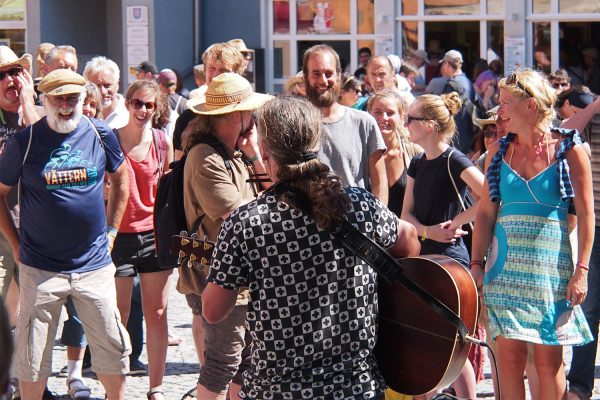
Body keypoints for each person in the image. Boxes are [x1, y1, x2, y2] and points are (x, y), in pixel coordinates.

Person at [202, 95, 421, 399]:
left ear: (264, 151)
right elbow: (410, 242)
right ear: (317, 143)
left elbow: (213, 311)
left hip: (277, 390)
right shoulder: (359, 204)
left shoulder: (246, 222)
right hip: (355, 388)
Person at [0, 68, 130, 400]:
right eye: (58, 98)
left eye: (72, 97)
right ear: (44, 100)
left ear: (84, 99)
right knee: (32, 359)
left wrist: (112, 231)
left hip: (94, 266)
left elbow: (121, 181)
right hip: (39, 268)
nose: (65, 105)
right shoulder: (24, 142)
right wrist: (15, 243)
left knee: (112, 352)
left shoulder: (101, 134)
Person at [471, 68, 593, 400]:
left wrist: (582, 270)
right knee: (508, 359)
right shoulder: (498, 152)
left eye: (506, 102)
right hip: (504, 268)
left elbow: (587, 214)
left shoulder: (568, 148)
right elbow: (485, 213)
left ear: (531, 105)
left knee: (548, 360)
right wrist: (476, 264)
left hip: (549, 271)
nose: (499, 111)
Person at [183, 72, 271, 400]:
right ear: (237, 115)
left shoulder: (234, 151)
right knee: (223, 361)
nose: (254, 118)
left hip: (241, 272)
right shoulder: (205, 156)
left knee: (248, 360)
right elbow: (239, 218)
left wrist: (254, 155)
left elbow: (272, 194)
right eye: (250, 111)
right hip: (216, 273)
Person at [401, 92, 484, 400]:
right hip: (422, 256)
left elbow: (489, 194)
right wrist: (427, 232)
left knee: (453, 341)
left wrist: (457, 222)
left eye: (411, 119)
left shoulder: (454, 159)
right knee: (421, 337)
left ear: (431, 125)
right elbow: (406, 213)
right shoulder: (418, 161)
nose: (405, 124)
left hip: (451, 263)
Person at [112, 79, 173, 400]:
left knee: (157, 311)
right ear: (127, 103)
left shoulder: (162, 142)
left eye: (149, 105)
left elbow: (167, 191)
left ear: (157, 108)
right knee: (118, 313)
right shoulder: (111, 140)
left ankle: (156, 386)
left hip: (153, 237)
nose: (143, 110)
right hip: (118, 237)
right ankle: (116, 384)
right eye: (138, 103)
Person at [302, 44, 388, 204]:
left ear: (339, 75)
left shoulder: (363, 122)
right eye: (316, 74)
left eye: (329, 73)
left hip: (357, 225)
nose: (323, 80)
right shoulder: (295, 125)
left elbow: (380, 183)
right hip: (308, 226)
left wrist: (378, 224)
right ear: (306, 76)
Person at [556, 95, 600, 400]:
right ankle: (581, 385)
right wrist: (595, 107)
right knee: (589, 308)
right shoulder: (594, 120)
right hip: (598, 230)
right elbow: (563, 130)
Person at [367, 91, 420, 217]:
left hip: (408, 233)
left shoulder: (414, 153)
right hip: (372, 233)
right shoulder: (359, 154)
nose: (384, 118)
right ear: (368, 114)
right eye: (378, 112)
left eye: (390, 113)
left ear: (402, 117)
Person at [83, 56, 129, 129]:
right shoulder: (80, 113)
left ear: (117, 85)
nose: (103, 92)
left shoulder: (130, 113)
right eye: (97, 86)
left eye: (107, 85)